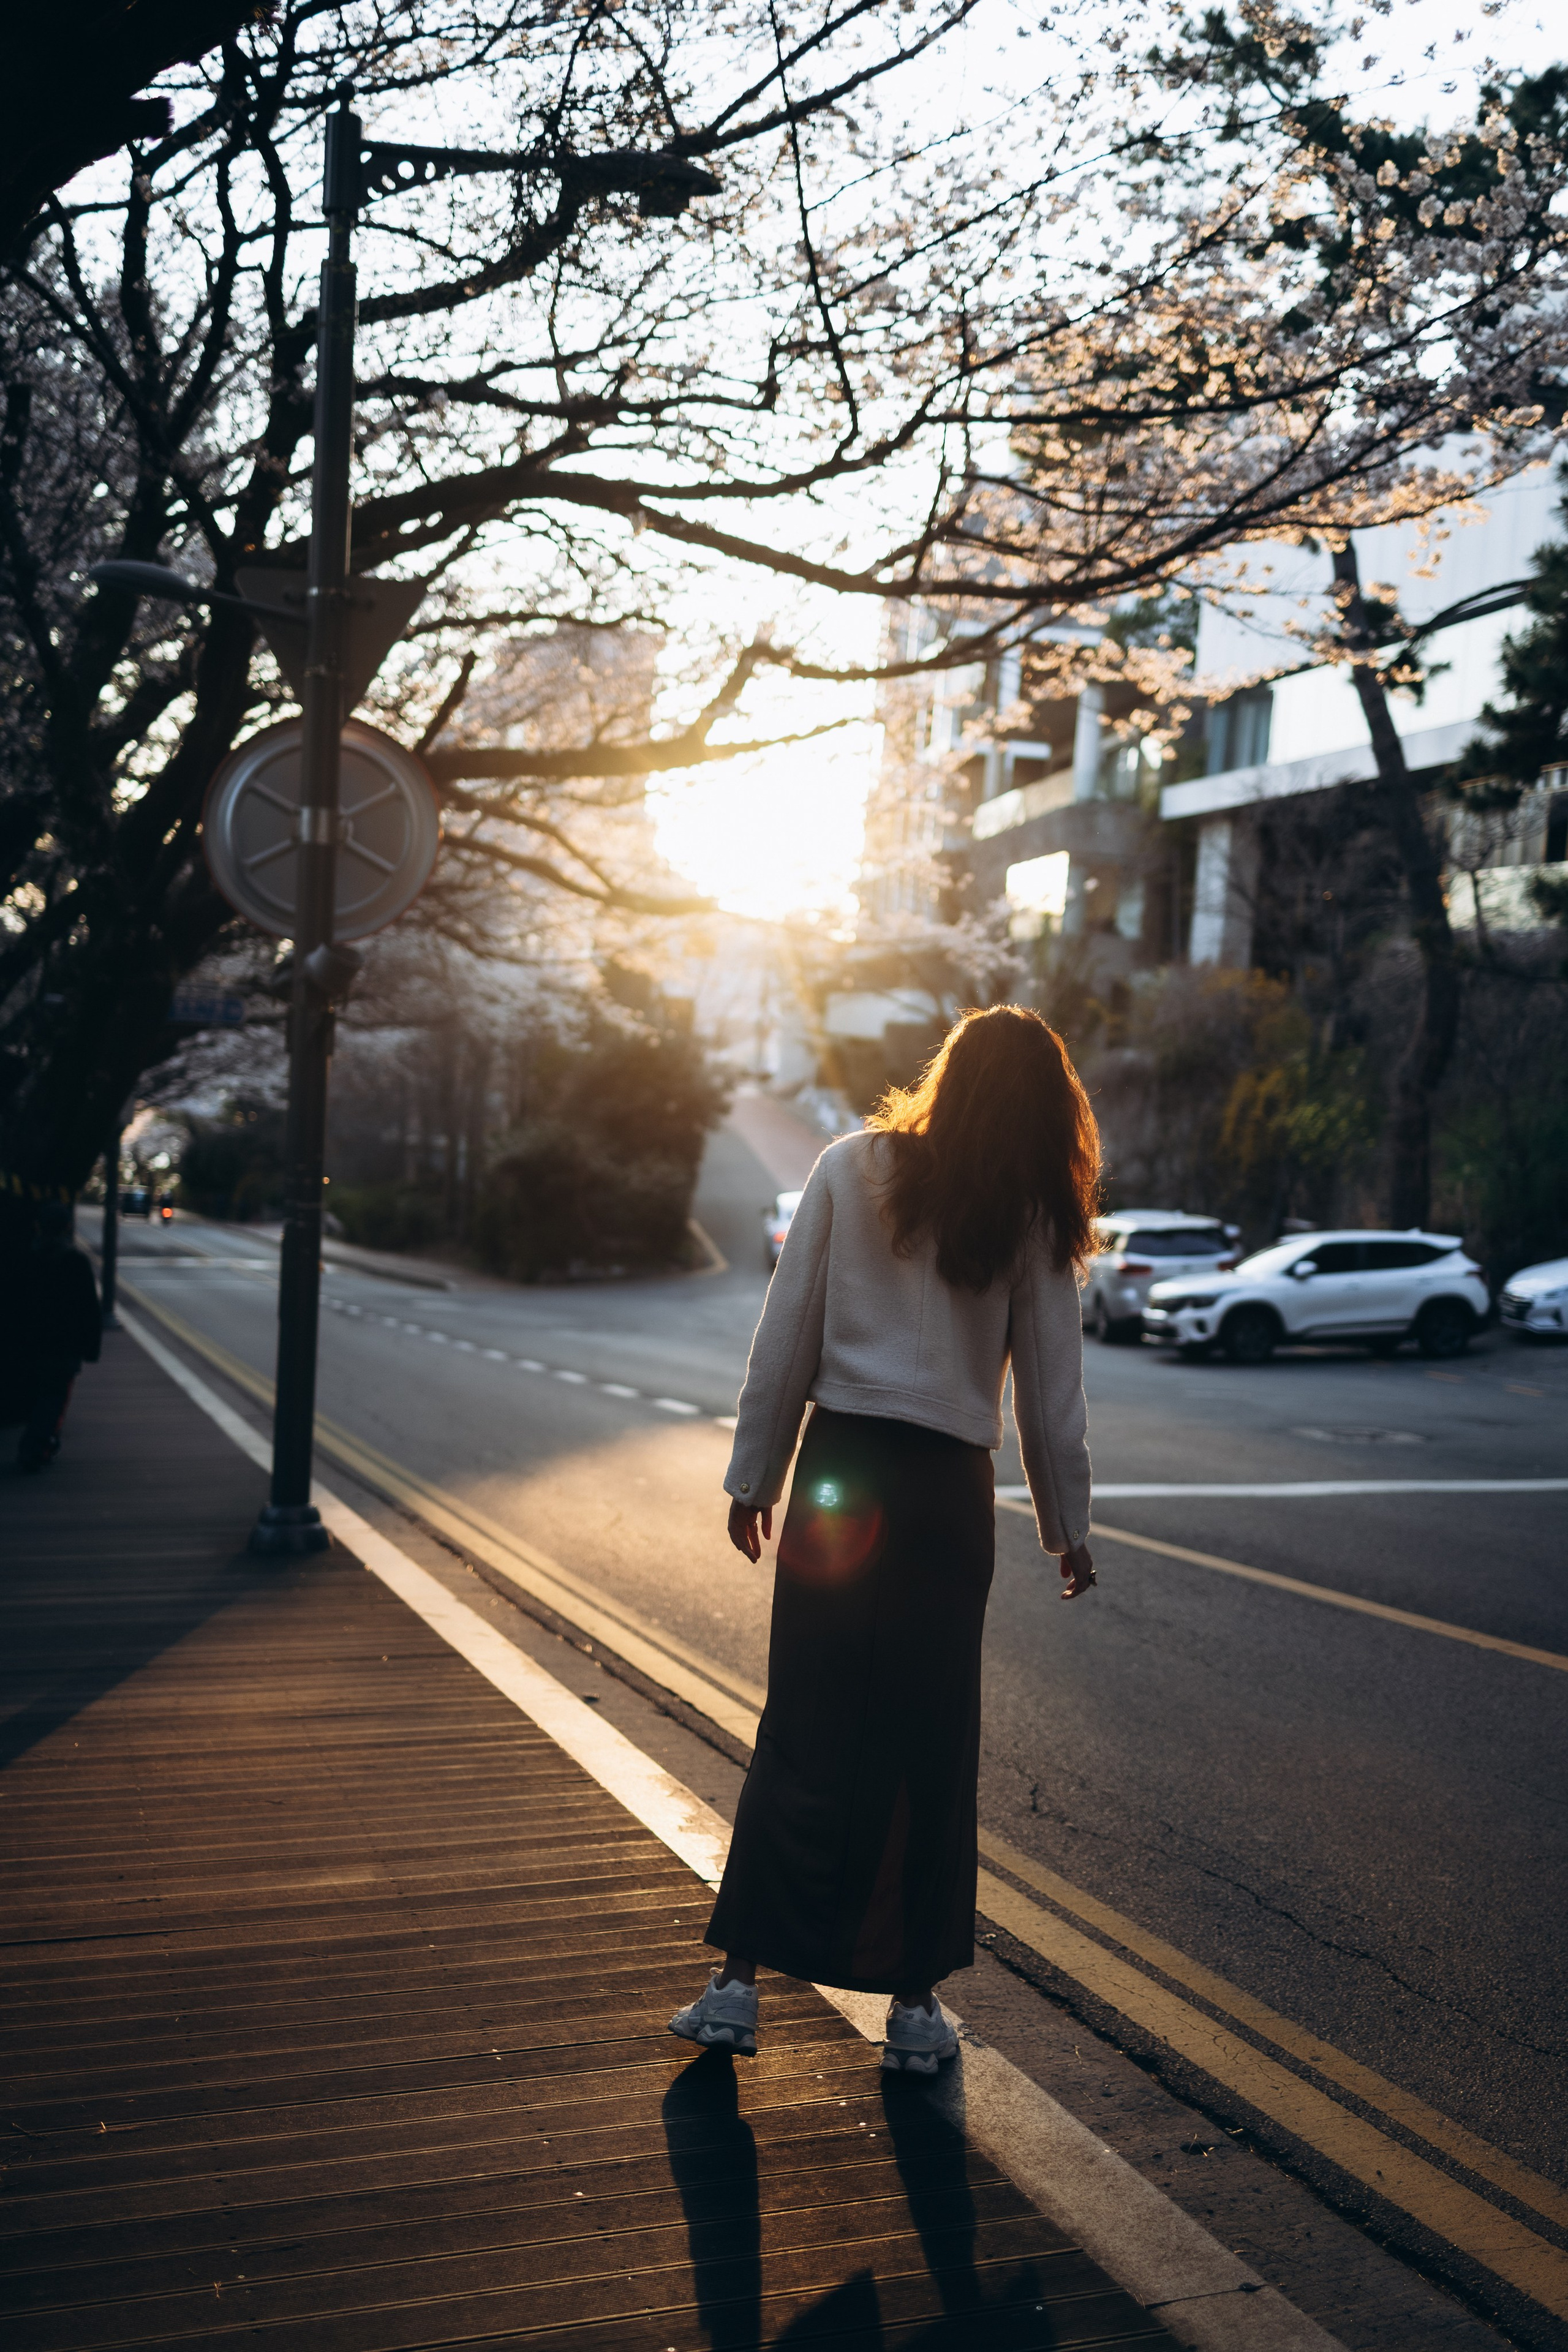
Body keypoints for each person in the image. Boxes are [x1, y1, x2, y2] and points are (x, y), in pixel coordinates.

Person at [671, 1006, 1098, 2074]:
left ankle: (735, 1989)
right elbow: (1052, 1398)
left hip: (840, 1473)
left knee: (805, 1723)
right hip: (947, 1495)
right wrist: (1068, 1530)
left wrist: (753, 1474)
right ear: (1048, 1105)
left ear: (946, 1076)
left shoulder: (849, 1168)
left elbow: (789, 1331)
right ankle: (912, 2010)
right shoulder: (1034, 1212)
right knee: (930, 1743)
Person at [2, 1201, 102, 1472]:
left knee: (36, 1392)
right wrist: (91, 1347)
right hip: (64, 1344)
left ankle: (41, 1441)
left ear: (38, 1227)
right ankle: (36, 1447)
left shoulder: (24, 1259)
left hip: (28, 1340)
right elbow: (89, 1310)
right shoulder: (76, 1262)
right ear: (68, 1227)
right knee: (54, 1395)